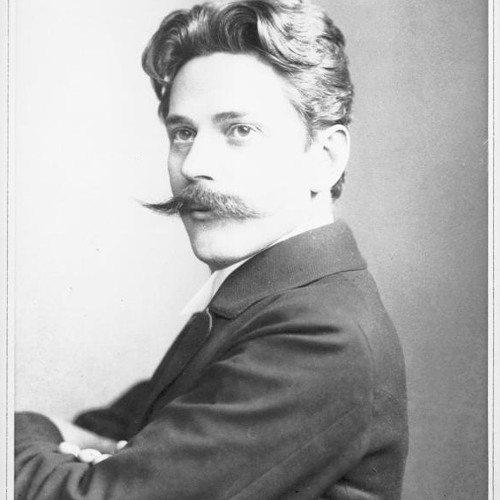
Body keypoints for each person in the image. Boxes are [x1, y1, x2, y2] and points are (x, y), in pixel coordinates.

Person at [15, 0, 408, 498]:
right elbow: (114, 427)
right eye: (183, 133)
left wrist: (25, 429)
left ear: (325, 158)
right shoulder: (257, 302)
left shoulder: (320, 336)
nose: (194, 164)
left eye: (239, 130)